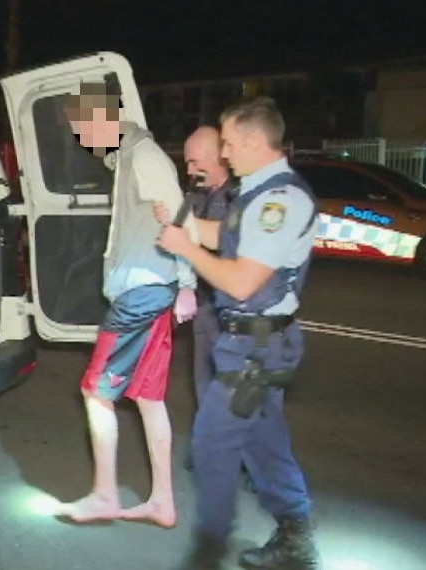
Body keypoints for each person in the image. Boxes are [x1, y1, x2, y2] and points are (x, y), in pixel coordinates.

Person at [155, 96, 321, 569]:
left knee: (211, 445)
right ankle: (297, 535)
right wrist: (179, 221)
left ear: (252, 140)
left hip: (255, 347)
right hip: (254, 342)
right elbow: (223, 235)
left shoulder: (277, 201)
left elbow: (243, 280)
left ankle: (206, 554)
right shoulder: (256, 193)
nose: (223, 154)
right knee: (262, 443)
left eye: (227, 144)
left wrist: (184, 248)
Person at [56, 81, 198, 529]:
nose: (80, 137)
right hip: (150, 288)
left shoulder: (144, 156)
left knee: (96, 393)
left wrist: (188, 282)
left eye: (82, 127)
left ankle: (104, 495)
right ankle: (162, 503)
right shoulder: (127, 157)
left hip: (142, 291)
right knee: (148, 397)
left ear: (104, 118)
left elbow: (179, 213)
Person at [179, 126, 238, 472]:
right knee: (204, 383)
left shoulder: (239, 197)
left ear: (217, 158)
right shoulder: (195, 195)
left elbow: (224, 244)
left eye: (193, 162)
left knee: (234, 390)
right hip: (204, 306)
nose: (188, 170)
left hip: (233, 310)